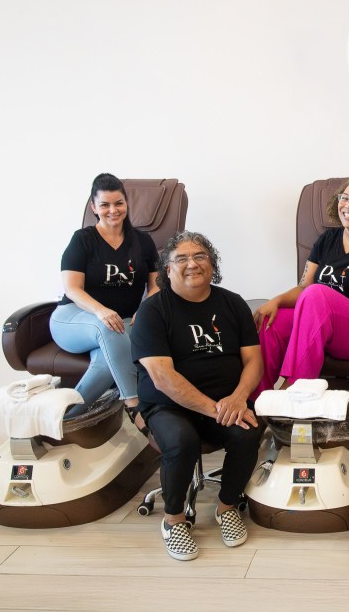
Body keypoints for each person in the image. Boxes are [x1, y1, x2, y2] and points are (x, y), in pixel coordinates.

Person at [130, 232, 263, 561]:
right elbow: (163, 377)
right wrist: (217, 409)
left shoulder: (233, 303)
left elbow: (254, 361)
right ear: (168, 269)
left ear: (212, 264)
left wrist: (238, 398)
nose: (192, 264)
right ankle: (174, 520)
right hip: (168, 405)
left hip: (225, 401)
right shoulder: (152, 311)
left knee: (249, 432)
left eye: (200, 256)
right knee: (181, 441)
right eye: (181, 259)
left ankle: (227, 507)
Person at [252, 179, 349, 398]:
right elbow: (304, 287)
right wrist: (275, 301)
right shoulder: (327, 239)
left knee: (317, 293)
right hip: (317, 317)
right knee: (272, 322)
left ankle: (296, 389)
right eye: (344, 198)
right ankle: (257, 401)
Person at [49, 173, 158, 424]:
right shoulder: (82, 240)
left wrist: (145, 309)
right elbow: (72, 289)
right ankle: (134, 403)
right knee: (108, 326)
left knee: (107, 362)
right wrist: (101, 310)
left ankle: (64, 419)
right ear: (93, 207)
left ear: (126, 203)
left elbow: (156, 285)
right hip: (73, 319)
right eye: (105, 204)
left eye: (118, 203)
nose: (113, 210)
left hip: (123, 321)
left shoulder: (143, 241)